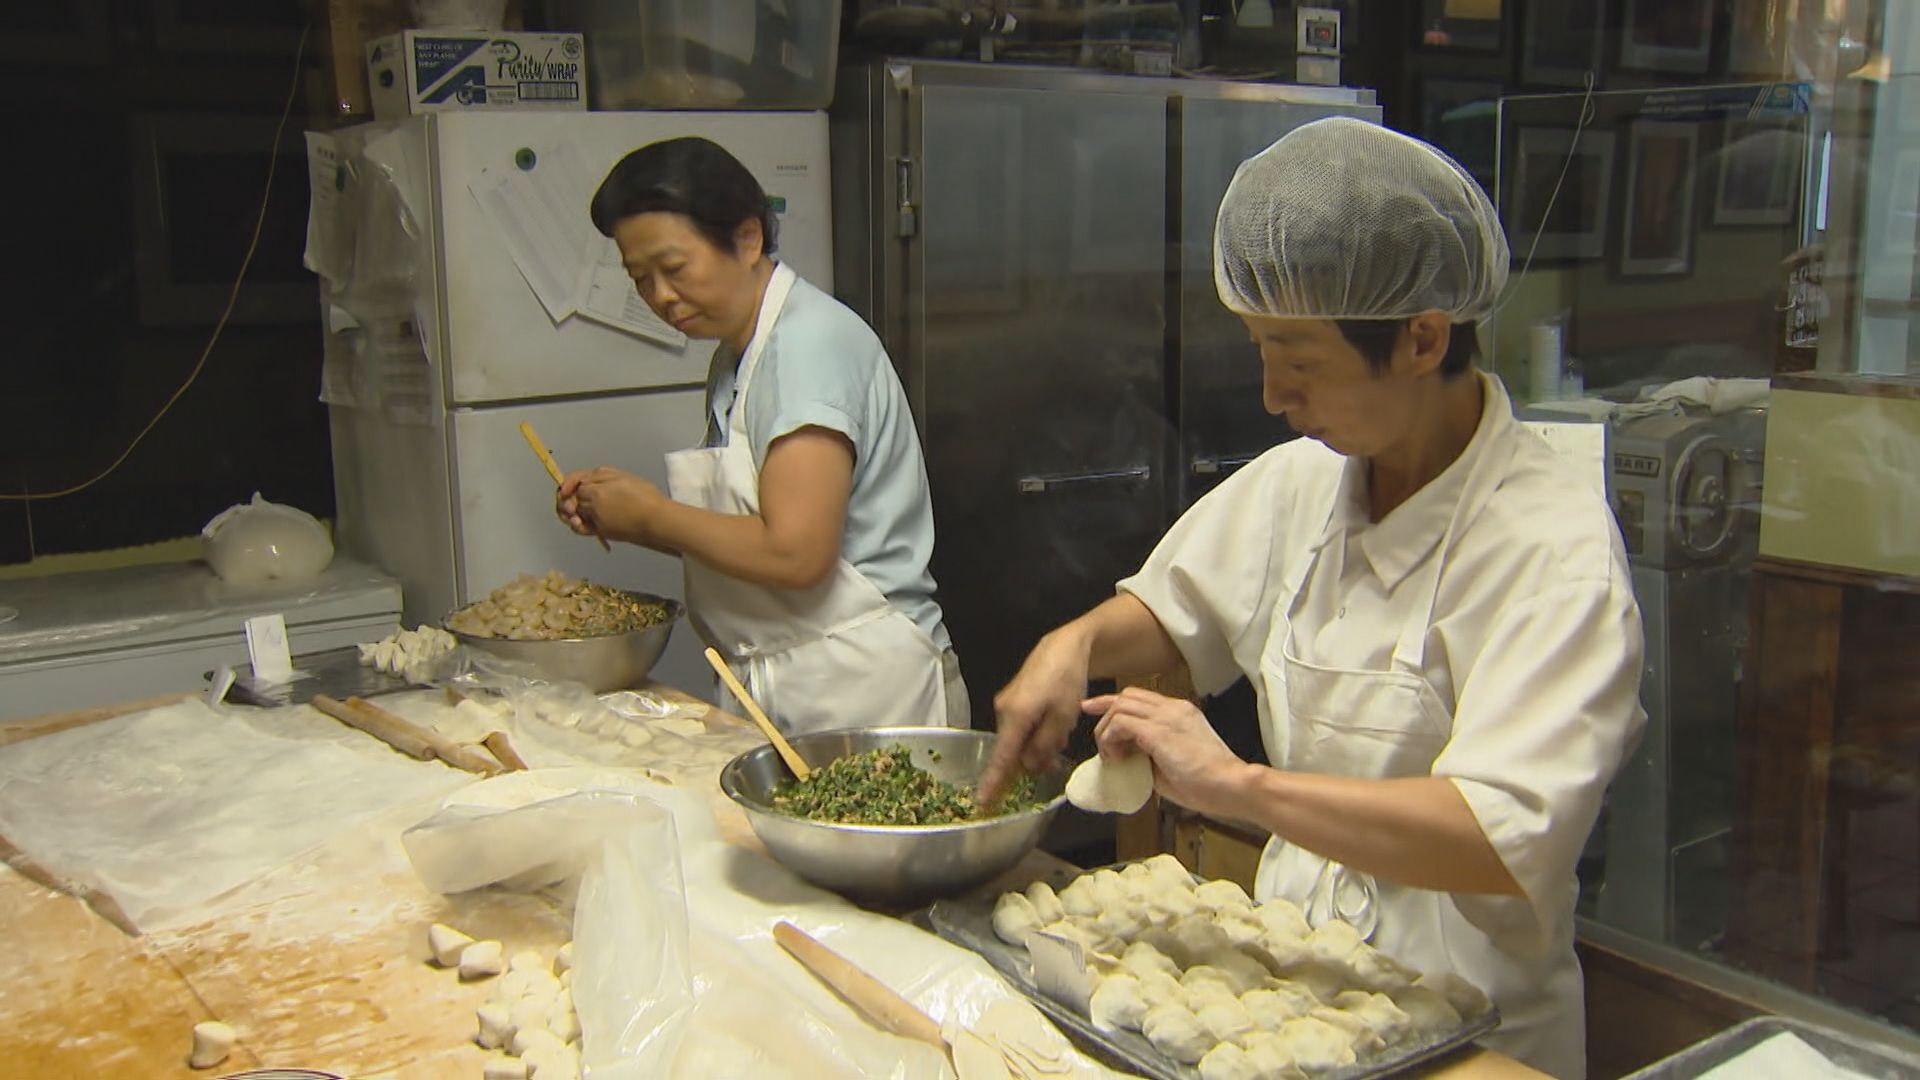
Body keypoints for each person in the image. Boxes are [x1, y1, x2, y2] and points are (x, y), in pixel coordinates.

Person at [977, 118, 1644, 1079]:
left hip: (1470, 1036)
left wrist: (1238, 786)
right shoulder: (1305, 480)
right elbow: (1176, 608)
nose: (1272, 395)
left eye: (1299, 359)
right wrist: (1075, 642)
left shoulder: (1553, 551)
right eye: (1259, 349)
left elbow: (1494, 839)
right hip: (1293, 998)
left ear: (1421, 340)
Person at [557, 137, 966, 735]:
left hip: (866, 692)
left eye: (673, 269)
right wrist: (624, 511)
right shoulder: (738, 356)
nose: (660, 298)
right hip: (795, 684)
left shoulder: (807, 349)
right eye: (639, 279)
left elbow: (797, 553)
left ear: (748, 239)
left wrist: (651, 517)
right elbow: (755, 532)